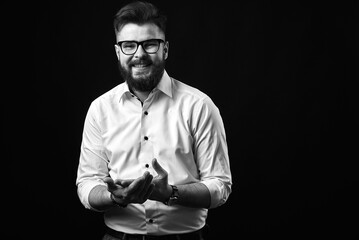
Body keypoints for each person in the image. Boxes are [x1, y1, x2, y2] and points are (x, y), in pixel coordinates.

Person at [76, 1, 232, 239]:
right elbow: (87, 183)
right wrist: (113, 197)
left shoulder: (199, 105)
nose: (139, 54)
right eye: (129, 45)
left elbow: (220, 186)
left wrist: (170, 192)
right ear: (118, 52)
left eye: (149, 44)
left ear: (165, 49)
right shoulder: (100, 109)